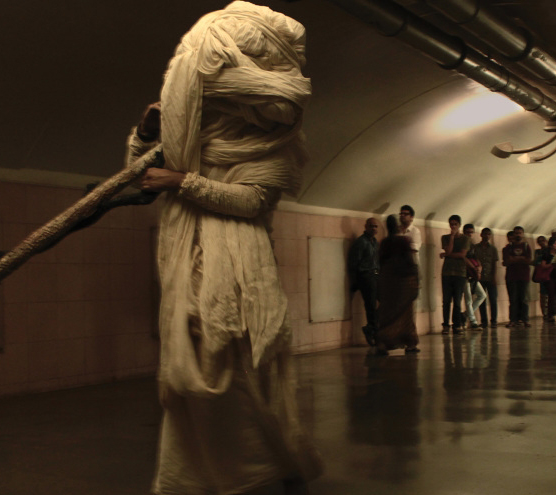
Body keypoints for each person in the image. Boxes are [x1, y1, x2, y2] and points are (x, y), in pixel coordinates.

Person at [132, 4, 322, 492]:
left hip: (238, 271)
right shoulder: (190, 137)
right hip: (187, 259)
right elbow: (139, 176)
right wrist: (145, 137)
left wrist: (184, 181)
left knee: (231, 365)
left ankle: (254, 468)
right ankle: (193, 477)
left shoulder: (275, 144)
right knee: (185, 373)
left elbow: (252, 201)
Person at [374, 215, 420, 354]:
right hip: (403, 280)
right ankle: (410, 343)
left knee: (387, 312)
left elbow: (381, 262)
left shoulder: (384, 243)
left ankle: (382, 343)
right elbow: (410, 261)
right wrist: (416, 279)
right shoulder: (404, 240)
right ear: (397, 226)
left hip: (388, 280)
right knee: (406, 313)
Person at [349, 218, 380, 346]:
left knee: (384, 302)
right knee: (371, 305)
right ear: (366, 226)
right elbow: (354, 262)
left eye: (376, 226)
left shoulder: (375, 243)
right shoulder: (361, 242)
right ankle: (372, 330)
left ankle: (371, 328)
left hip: (376, 275)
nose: (374, 228)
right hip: (366, 276)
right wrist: (356, 281)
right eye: (371, 226)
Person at [439, 215, 469, 334]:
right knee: (446, 300)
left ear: (459, 225)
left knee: (457, 300)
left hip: (460, 273)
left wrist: (446, 255)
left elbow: (462, 255)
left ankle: (457, 325)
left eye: (455, 224)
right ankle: (446, 325)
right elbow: (448, 251)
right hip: (446, 272)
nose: (453, 226)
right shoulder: (445, 238)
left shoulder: (465, 239)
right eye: (451, 224)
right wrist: (451, 237)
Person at [503, 226, 532, 327]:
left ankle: (525, 319)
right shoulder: (508, 247)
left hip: (524, 276)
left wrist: (515, 258)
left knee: (524, 299)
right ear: (513, 234)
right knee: (513, 299)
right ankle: (513, 320)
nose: (518, 235)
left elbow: (529, 261)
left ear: (523, 234)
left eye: (520, 233)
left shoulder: (526, 246)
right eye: (516, 233)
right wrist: (522, 258)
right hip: (512, 276)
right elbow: (507, 261)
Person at [461, 224, 486, 329]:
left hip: (473, 274)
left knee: (482, 295)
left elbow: (476, 258)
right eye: (467, 232)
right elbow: (464, 258)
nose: (470, 234)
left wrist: (479, 267)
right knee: (468, 299)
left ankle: (465, 315)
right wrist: (474, 268)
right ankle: (473, 321)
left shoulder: (472, 245)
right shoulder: (462, 244)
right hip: (465, 274)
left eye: (471, 232)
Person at [476, 228, 500, 328]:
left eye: (489, 234)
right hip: (480, 278)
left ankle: (494, 320)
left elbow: (494, 264)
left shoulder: (493, 249)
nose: (487, 236)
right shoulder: (476, 248)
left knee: (493, 299)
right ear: (481, 235)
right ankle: (484, 321)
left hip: (490, 277)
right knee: (482, 300)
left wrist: (494, 277)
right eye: (485, 234)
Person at [532, 235, 549, 319]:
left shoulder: (550, 250)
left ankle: (551, 312)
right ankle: (544, 313)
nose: (541, 243)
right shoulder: (538, 252)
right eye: (539, 241)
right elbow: (535, 262)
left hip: (549, 274)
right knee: (543, 294)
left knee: (551, 294)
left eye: (543, 240)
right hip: (541, 275)